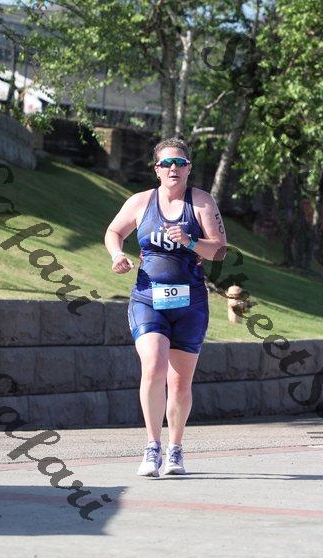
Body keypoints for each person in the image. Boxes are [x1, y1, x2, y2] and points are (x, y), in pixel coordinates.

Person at [104, 138, 227, 477]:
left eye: (181, 163)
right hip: (148, 299)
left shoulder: (201, 202)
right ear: (156, 169)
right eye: (167, 163)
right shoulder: (140, 202)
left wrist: (190, 241)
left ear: (189, 168)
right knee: (154, 366)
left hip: (190, 303)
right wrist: (117, 254)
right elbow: (114, 231)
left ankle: (175, 448)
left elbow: (219, 251)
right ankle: (152, 446)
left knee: (180, 383)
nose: (174, 168)